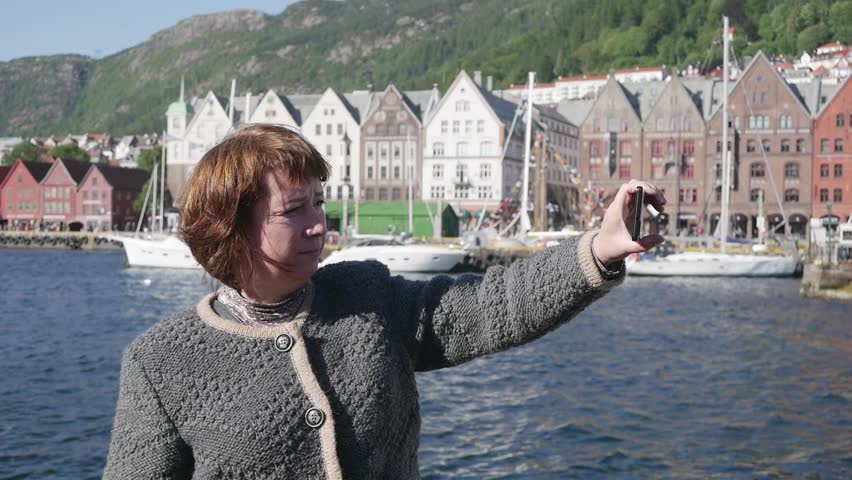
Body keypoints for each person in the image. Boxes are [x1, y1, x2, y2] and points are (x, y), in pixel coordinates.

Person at [103, 124, 665, 479]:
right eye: (294, 210)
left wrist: (600, 247)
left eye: (319, 203)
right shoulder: (159, 363)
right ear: (231, 228)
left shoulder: (368, 298)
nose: (319, 224)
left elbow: (495, 306)